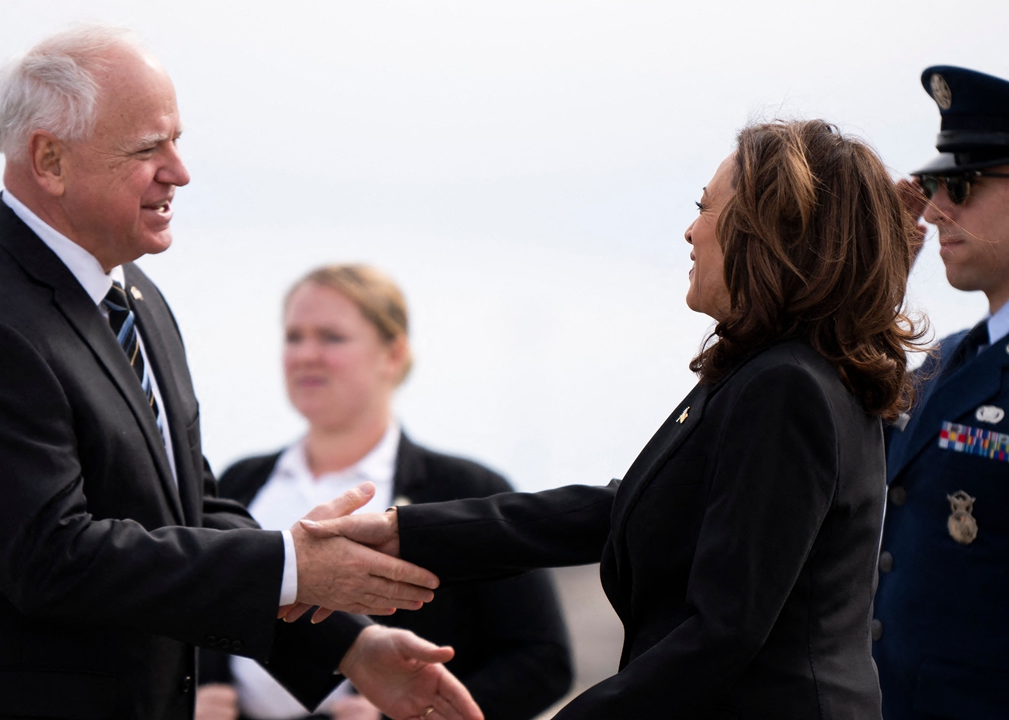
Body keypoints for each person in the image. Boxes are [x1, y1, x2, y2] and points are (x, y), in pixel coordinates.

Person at [0, 26, 482, 720]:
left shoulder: (137, 300)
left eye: (176, 141)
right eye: (147, 148)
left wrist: (348, 646)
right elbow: (54, 559)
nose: (180, 171)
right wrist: (293, 567)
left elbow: (190, 513)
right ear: (50, 159)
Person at [303, 120, 923, 719]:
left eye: (706, 209)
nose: (689, 232)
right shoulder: (773, 374)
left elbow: (723, 633)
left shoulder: (786, 385)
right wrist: (407, 532)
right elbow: (624, 509)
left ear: (770, 232)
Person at [195, 265, 573, 720]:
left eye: (331, 337)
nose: (306, 354)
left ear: (392, 354)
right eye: (294, 337)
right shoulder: (238, 483)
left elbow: (542, 661)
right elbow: (198, 608)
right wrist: (200, 694)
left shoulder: (464, 491)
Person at [874, 65, 1009, 720]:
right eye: (931, 185)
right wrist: (876, 289)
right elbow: (836, 444)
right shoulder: (945, 361)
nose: (932, 211)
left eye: (959, 185)